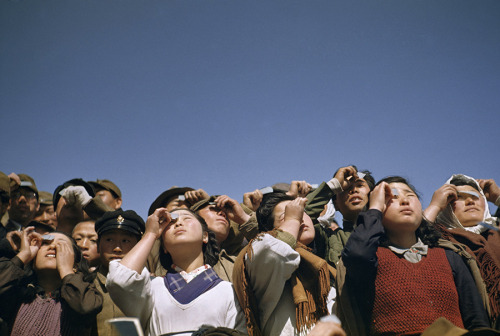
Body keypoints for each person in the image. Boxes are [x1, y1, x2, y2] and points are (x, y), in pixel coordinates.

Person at [337, 176, 490, 336]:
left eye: (410, 195)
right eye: (392, 198)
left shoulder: (450, 256)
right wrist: (374, 207)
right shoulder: (373, 258)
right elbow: (357, 255)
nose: (404, 201)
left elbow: (476, 321)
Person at [106, 208, 246, 336]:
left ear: (205, 236)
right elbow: (118, 279)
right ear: (164, 246)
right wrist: (151, 233)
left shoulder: (229, 290)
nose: (179, 223)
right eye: (171, 222)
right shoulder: (150, 287)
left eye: (187, 218)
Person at [233, 193, 337, 336]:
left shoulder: (323, 268)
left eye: (302, 212)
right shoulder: (258, 253)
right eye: (285, 216)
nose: (300, 218)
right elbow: (274, 252)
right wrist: (292, 219)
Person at [425, 174, 500, 329]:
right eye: (458, 198)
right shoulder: (438, 242)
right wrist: (435, 206)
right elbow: (412, 235)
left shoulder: (497, 233)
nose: (470, 201)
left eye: (474, 196)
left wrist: (498, 196)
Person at [0, 227, 103, 335]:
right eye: (45, 243)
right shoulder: (17, 292)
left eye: (62, 246)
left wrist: (66, 270)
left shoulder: (87, 292)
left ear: (75, 264)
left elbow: (85, 308)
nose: (53, 246)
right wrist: (23, 255)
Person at [305, 166, 375, 267]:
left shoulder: (389, 232)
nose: (354, 190)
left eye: (360, 185)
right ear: (336, 204)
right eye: (346, 188)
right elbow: (302, 214)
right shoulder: (330, 239)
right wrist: (334, 184)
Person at [92, 210, 145, 335]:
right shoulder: (84, 285)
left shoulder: (151, 286)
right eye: (109, 240)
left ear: (139, 246)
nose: (117, 248)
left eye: (126, 241)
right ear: (98, 245)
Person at [191, 195, 258, 282]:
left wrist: (243, 218)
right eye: (214, 209)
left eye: (226, 213)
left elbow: (277, 248)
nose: (222, 213)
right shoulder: (172, 262)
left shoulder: (241, 265)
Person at [146, 186, 208, 276]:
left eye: (188, 205)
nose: (184, 207)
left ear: (205, 236)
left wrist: (207, 202)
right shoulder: (150, 243)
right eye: (177, 204)